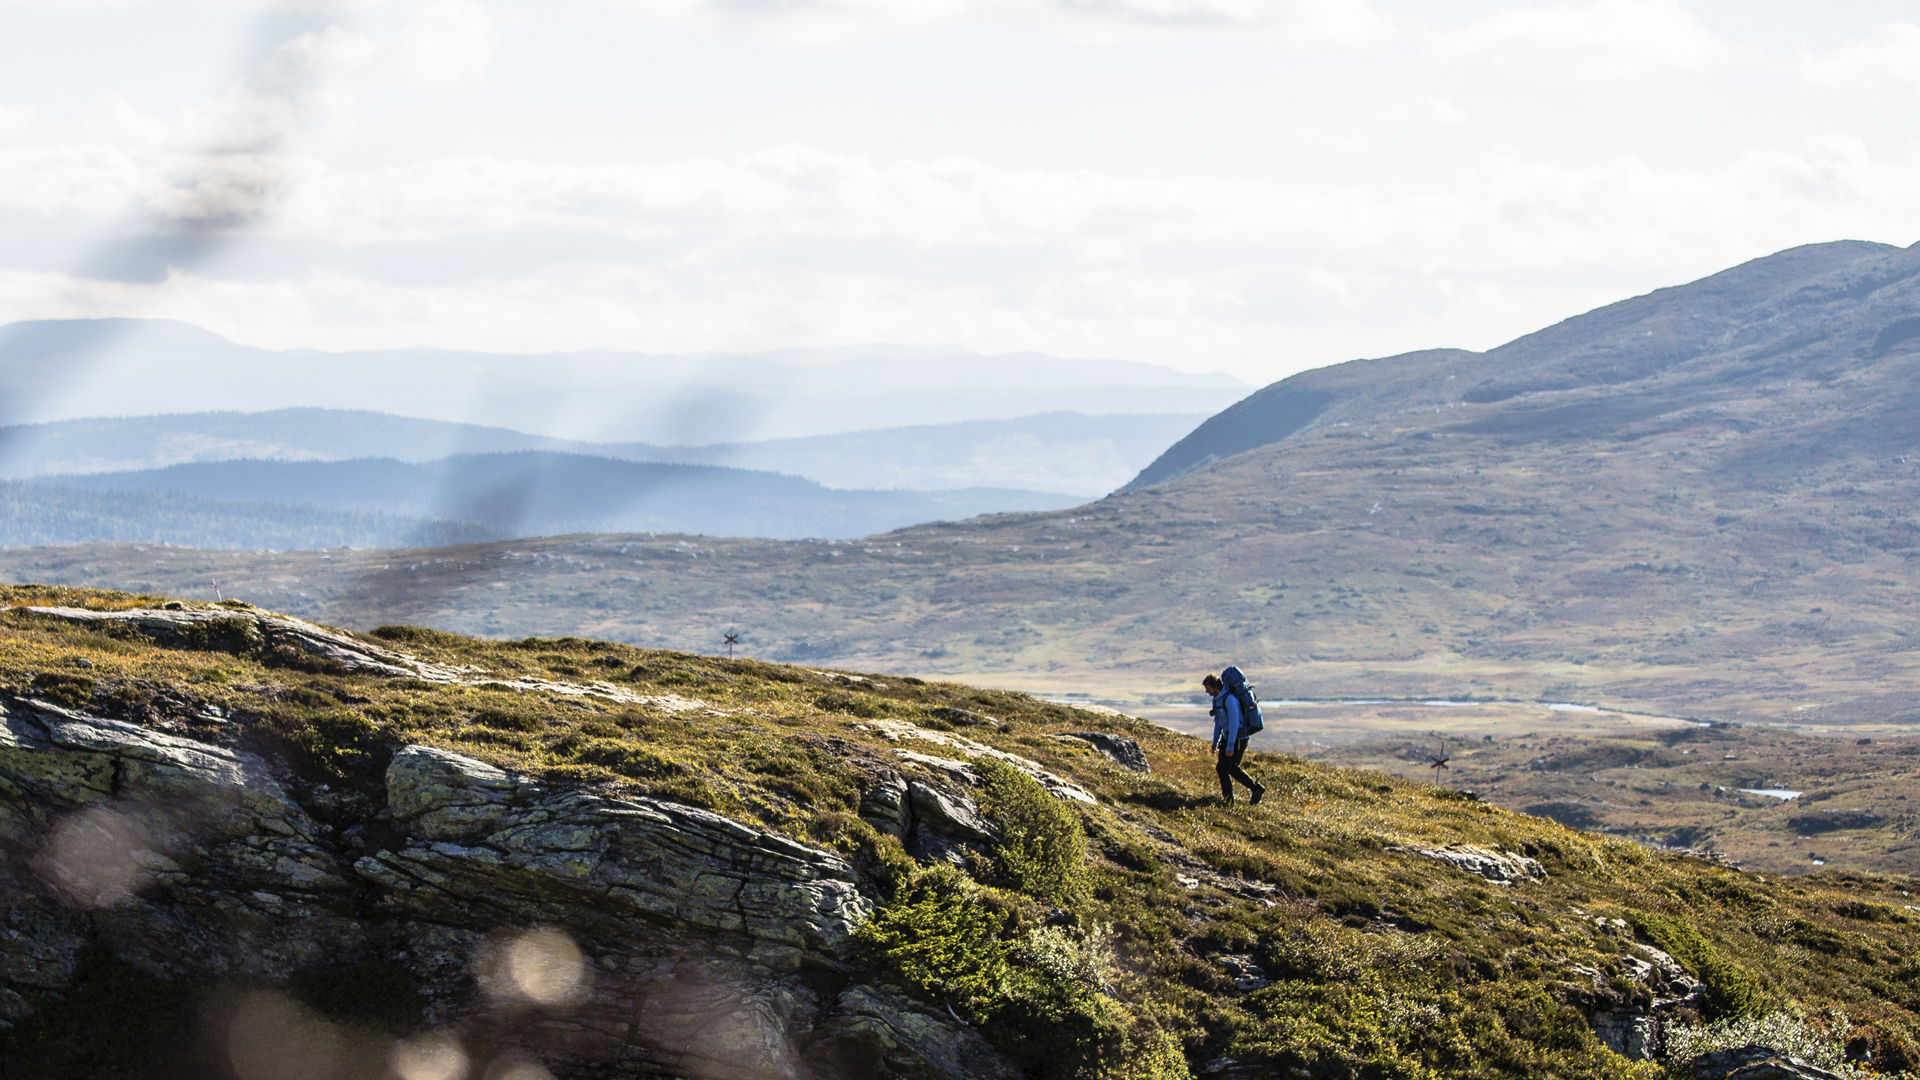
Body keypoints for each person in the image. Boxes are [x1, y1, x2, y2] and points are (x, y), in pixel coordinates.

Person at [1205, 672, 1265, 806]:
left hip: (1238, 738)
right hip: (1227, 737)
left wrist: (1230, 746)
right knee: (1221, 768)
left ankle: (1256, 788)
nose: (1206, 691)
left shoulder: (1230, 699)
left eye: (1208, 688)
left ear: (1215, 687)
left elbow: (1234, 723)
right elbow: (1218, 722)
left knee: (1232, 768)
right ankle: (1228, 801)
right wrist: (1215, 741)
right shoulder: (1217, 700)